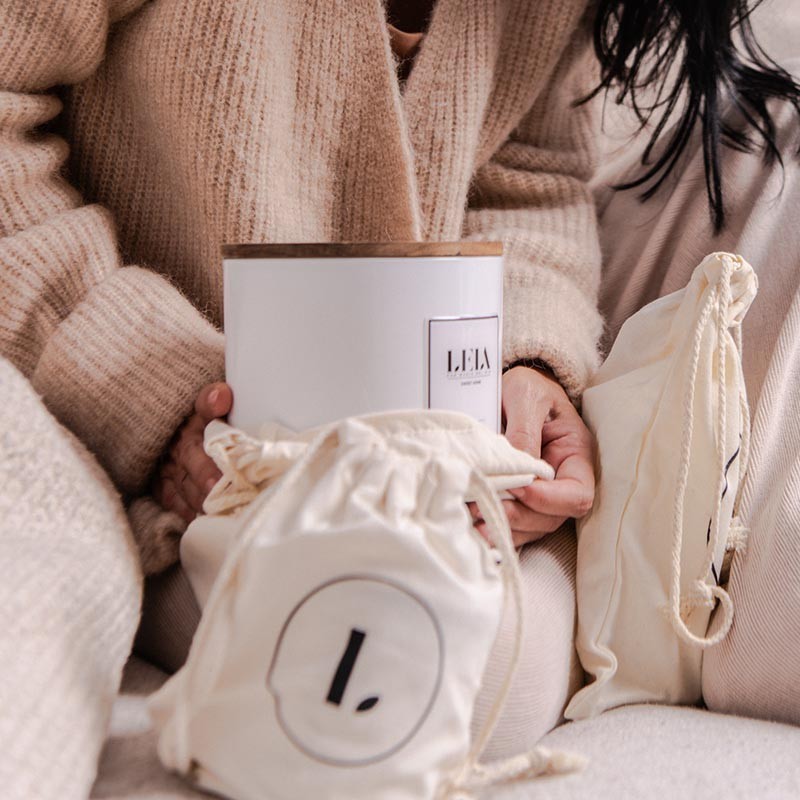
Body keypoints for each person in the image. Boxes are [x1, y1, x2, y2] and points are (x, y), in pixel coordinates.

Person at [0, 0, 798, 794]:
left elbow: (528, 184)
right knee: (422, 660)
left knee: (495, 662)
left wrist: (526, 366)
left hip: (410, 452)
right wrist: (145, 381)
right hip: (143, 441)